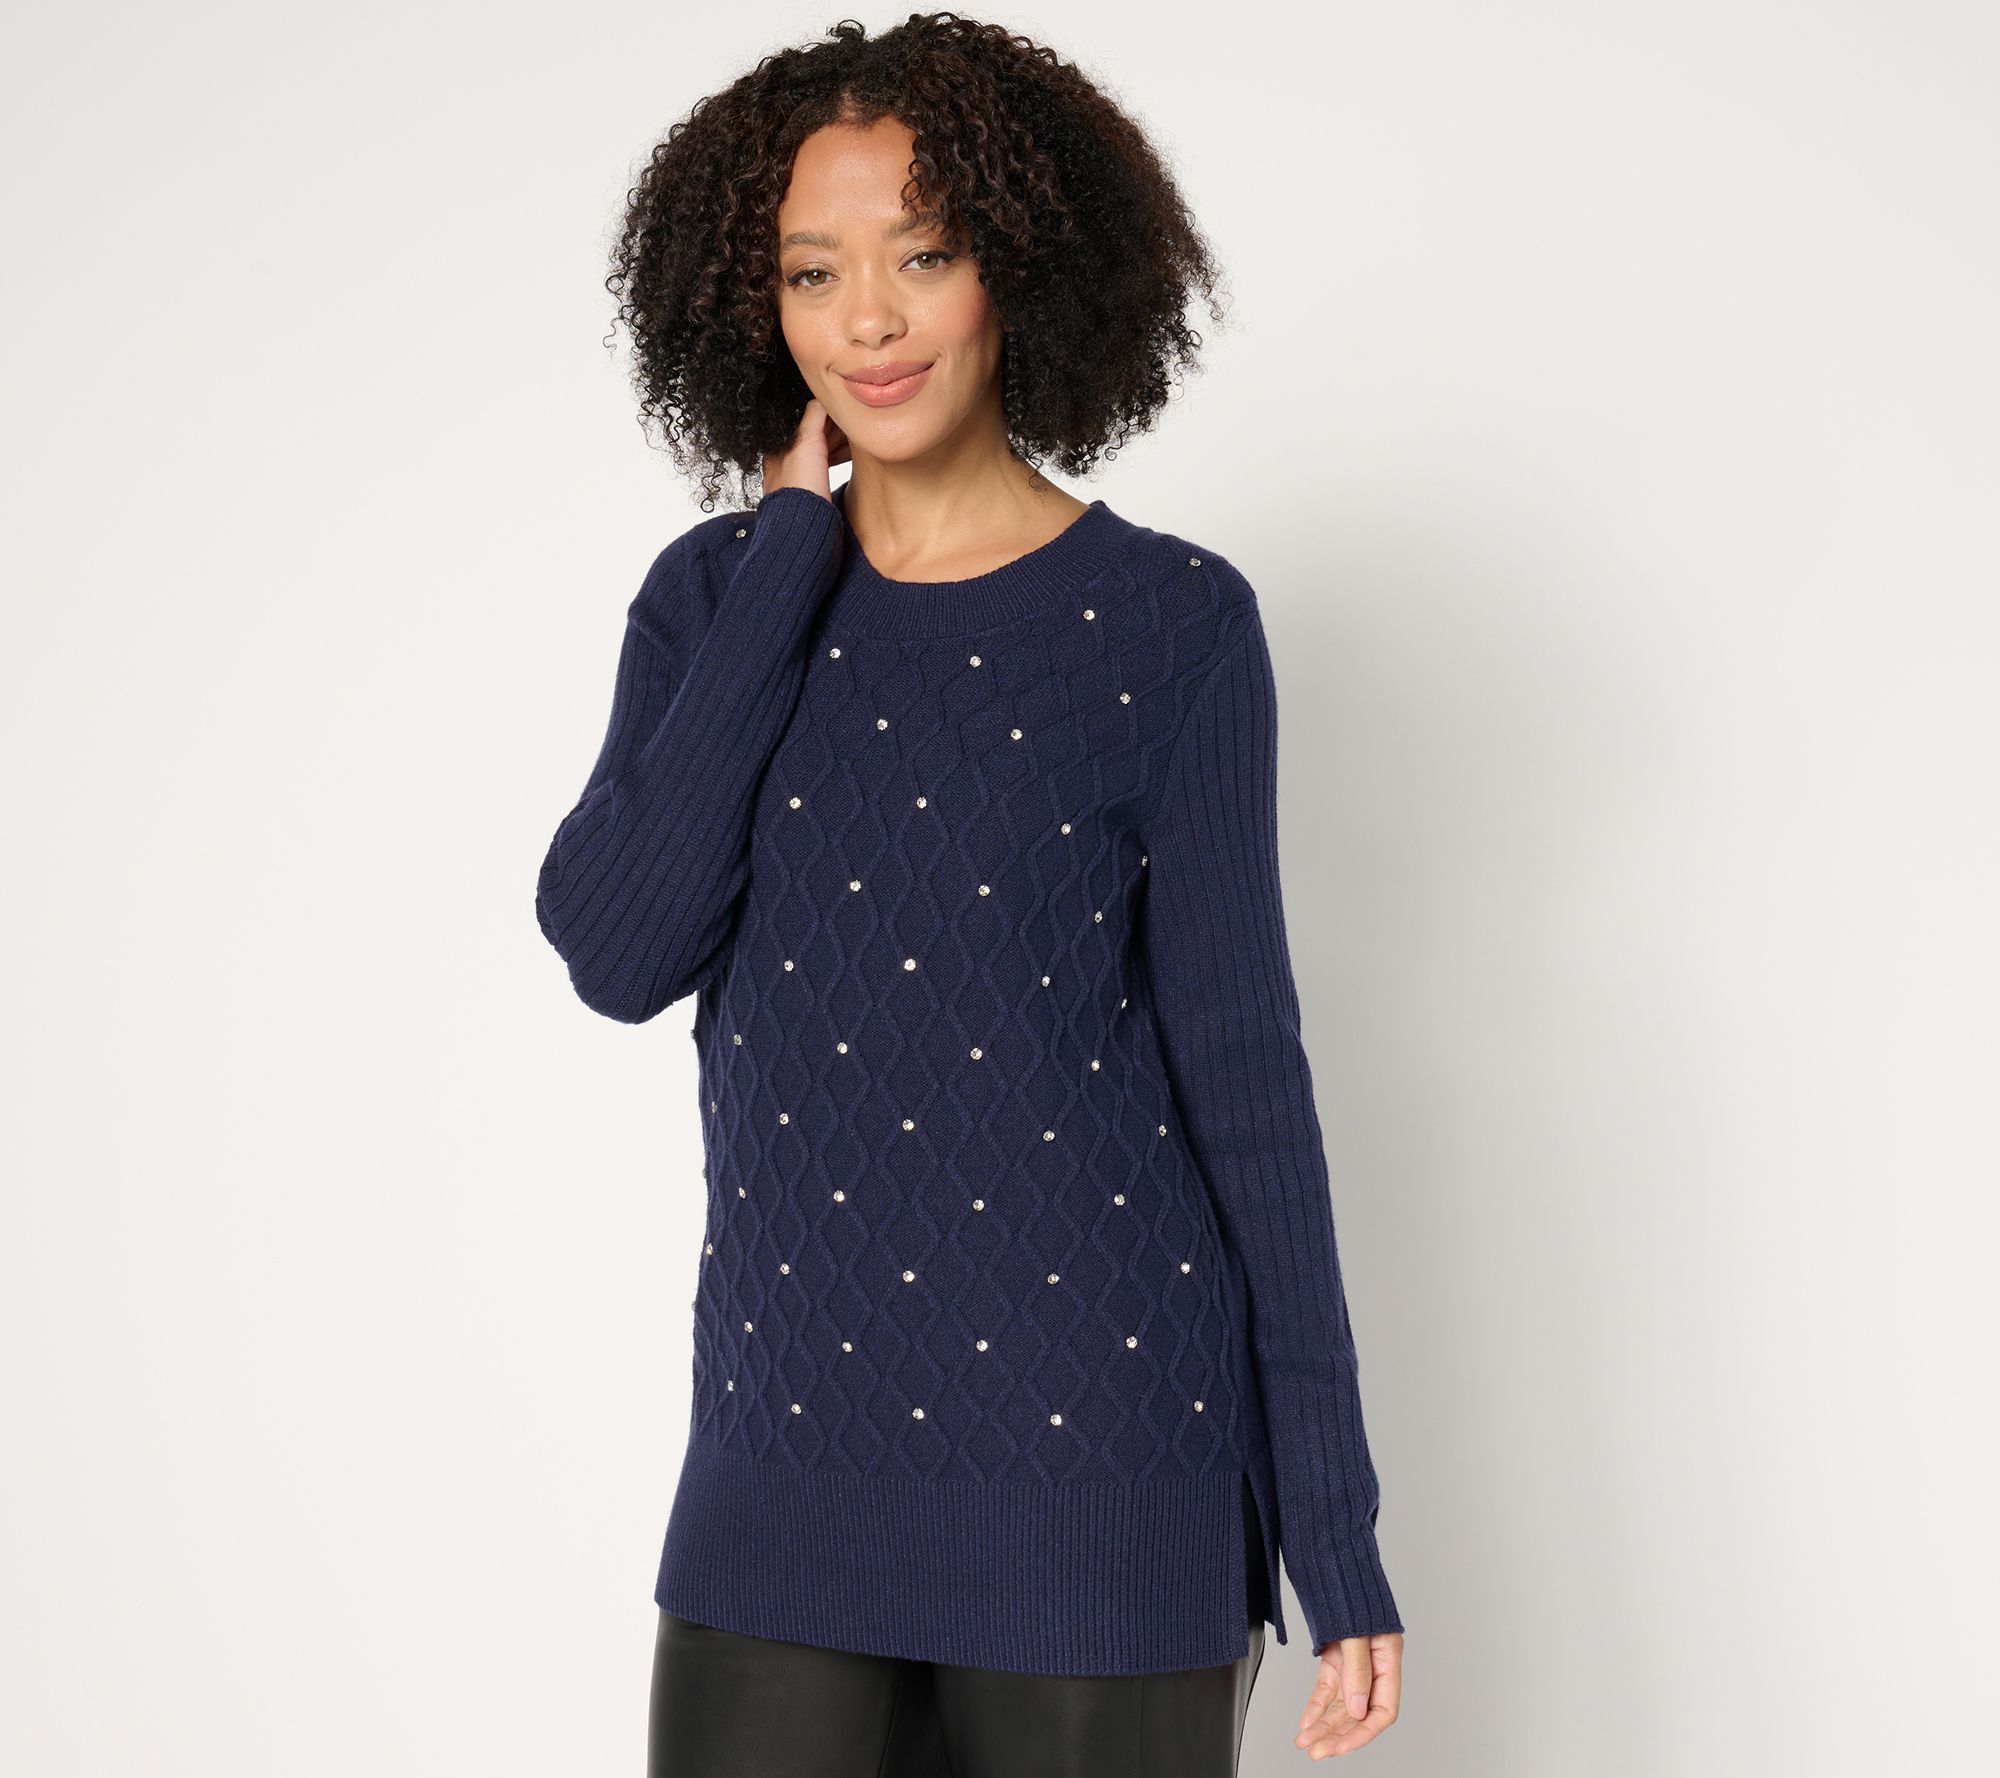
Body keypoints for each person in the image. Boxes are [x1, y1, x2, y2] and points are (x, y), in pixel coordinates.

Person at [534, 14, 1406, 1773]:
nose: (867, 318)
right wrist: (789, 558)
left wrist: (1333, 1527)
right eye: (813, 271)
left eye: (922, 255)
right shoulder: (714, 601)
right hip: (778, 1480)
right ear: (757, 306)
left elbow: (1247, 1086)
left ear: (1021, 265)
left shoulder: (1169, 625)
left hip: (1104, 1482)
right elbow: (621, 948)